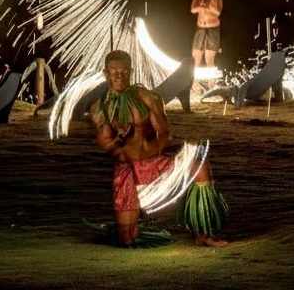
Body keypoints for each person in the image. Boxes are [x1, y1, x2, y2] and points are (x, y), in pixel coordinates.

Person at [89, 50, 229, 247]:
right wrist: (119, 139)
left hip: (153, 163)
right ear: (106, 73)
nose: (119, 76)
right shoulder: (99, 107)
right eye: (114, 71)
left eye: (124, 71)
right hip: (126, 170)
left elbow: (164, 134)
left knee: (199, 166)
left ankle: (203, 233)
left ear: (131, 71)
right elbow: (106, 144)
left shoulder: (148, 98)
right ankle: (132, 225)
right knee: (127, 240)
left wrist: (147, 150)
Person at [190, 0, 223, 68]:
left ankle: (211, 81)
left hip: (213, 28)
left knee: (209, 58)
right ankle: (194, 80)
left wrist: (208, 6)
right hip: (200, 27)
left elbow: (217, 12)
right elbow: (193, 10)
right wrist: (201, 6)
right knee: (196, 56)